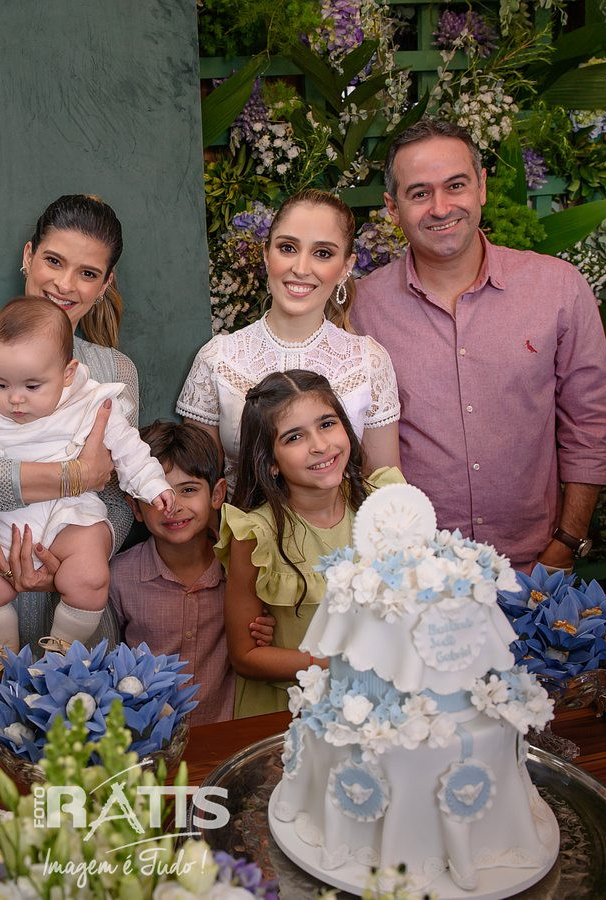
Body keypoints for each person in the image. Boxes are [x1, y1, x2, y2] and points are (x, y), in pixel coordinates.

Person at [0, 194, 137, 768]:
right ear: (27, 256)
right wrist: (71, 476)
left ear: (105, 284)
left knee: (70, 778)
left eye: (88, 273)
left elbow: (119, 501)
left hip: (75, 592)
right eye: (54, 261)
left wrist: (67, 559)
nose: (65, 284)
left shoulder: (114, 372)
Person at [351, 118, 606, 571]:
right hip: (411, 576)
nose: (441, 208)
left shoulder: (557, 288)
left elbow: (589, 423)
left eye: (456, 185)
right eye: (420, 193)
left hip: (534, 569)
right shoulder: (361, 310)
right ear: (393, 208)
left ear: (482, 187)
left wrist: (568, 543)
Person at [0, 298, 174, 700]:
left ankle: (64, 653)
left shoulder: (92, 401)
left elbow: (128, 451)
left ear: (67, 373)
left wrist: (154, 486)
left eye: (32, 387)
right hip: (9, 515)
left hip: (72, 514)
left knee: (89, 576)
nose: (14, 399)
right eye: (2, 383)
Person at [178, 188, 401, 490]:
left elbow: (385, 489)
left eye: (323, 253)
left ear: (346, 267)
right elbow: (200, 489)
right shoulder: (217, 359)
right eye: (287, 248)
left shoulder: (368, 361)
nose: (301, 268)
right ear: (266, 254)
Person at [217, 370, 404, 718]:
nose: (319, 445)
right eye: (294, 437)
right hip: (291, 711)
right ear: (271, 462)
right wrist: (343, 665)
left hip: (383, 704)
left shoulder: (385, 502)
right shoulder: (256, 535)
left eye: (327, 424)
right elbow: (246, 656)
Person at [109, 421, 236, 725]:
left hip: (227, 735)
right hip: (146, 739)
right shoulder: (118, 577)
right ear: (136, 508)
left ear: (217, 494)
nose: (173, 506)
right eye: (156, 494)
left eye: (188, 490)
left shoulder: (238, 569)